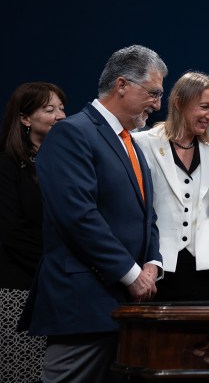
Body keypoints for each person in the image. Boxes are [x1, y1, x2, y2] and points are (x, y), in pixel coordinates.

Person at [19, 44, 167, 383]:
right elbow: (78, 217)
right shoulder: (72, 133)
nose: (158, 104)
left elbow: (147, 214)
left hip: (125, 304)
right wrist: (132, 274)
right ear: (121, 85)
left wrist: (152, 263)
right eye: (153, 93)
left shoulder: (129, 140)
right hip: (84, 303)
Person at [133, 72, 209, 303]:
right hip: (154, 269)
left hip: (202, 271)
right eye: (204, 107)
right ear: (179, 103)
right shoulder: (141, 144)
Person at [0, 82, 66, 382]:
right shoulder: (8, 163)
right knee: (21, 372)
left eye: (62, 108)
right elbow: (10, 231)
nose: (60, 116)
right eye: (49, 109)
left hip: (60, 286)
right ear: (26, 119)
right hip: (20, 287)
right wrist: (54, 265)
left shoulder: (66, 161)